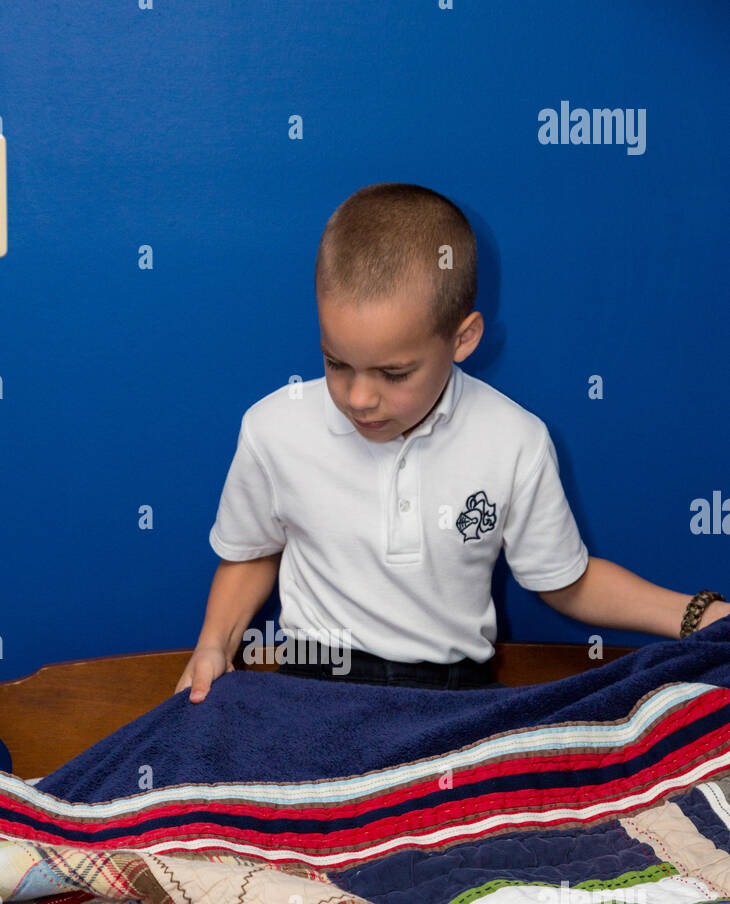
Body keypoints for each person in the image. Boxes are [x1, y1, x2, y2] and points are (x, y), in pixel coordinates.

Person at [176, 183, 727, 701]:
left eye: (393, 373)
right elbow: (251, 553)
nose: (359, 397)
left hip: (455, 700)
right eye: (336, 362)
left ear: (463, 338)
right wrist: (213, 645)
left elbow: (567, 581)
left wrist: (696, 615)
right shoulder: (274, 427)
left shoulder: (515, 440)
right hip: (314, 689)